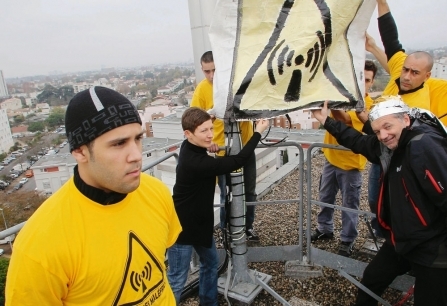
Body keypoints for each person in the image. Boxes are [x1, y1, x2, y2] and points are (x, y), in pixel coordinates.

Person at [5, 87, 182, 305]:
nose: (137, 155)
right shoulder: (40, 247)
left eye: (138, 138)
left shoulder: (156, 192)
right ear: (80, 151)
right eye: (118, 144)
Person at [311, 97, 447, 305]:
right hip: (402, 240)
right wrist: (327, 121)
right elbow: (359, 142)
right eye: (377, 131)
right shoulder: (391, 146)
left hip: (432, 248)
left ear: (406, 120)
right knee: (370, 282)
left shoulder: (423, 147)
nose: (383, 135)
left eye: (387, 127)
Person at [167, 107, 269, 305]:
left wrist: (209, 144)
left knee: (211, 263)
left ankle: (209, 302)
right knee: (177, 279)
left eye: (211, 129)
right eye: (204, 131)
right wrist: (258, 132)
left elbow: (201, 142)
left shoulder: (188, 146)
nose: (210, 135)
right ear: (188, 134)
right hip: (181, 228)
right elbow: (239, 160)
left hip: (200, 223)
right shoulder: (197, 163)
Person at [310, 60, 378, 257]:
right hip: (331, 157)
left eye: (367, 80)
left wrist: (328, 100)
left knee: (349, 204)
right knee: (325, 197)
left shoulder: (366, 106)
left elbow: (345, 122)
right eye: (359, 78)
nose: (363, 83)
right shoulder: (343, 96)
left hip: (350, 164)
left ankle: (347, 239)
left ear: (372, 83)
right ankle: (325, 229)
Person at [190, 51, 260, 241]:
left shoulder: (238, 82)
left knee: (249, 191)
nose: (211, 75)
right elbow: (193, 122)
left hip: (245, 147)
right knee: (226, 194)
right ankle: (226, 231)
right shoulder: (202, 90)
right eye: (207, 71)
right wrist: (208, 141)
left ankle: (247, 228)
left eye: (214, 70)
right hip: (222, 152)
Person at [370, 0, 447, 123]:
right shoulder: (402, 67)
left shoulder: (416, 111)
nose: (406, 76)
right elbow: (390, 39)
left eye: (415, 73)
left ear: (427, 76)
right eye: (405, 70)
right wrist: (382, 3)